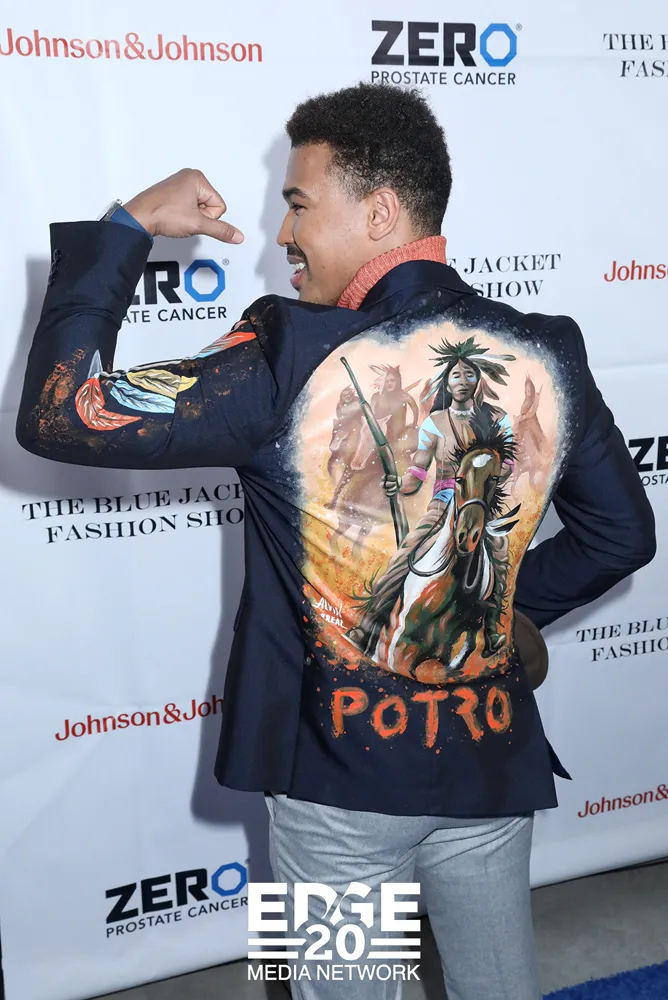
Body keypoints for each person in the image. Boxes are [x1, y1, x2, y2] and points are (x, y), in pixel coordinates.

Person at [16, 83, 655, 1000]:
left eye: (299, 204)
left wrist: (127, 227)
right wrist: (493, 614)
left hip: (334, 787)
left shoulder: (288, 351)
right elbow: (622, 535)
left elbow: (64, 413)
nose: (282, 233)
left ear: (381, 211)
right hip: (490, 757)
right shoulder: (545, 348)